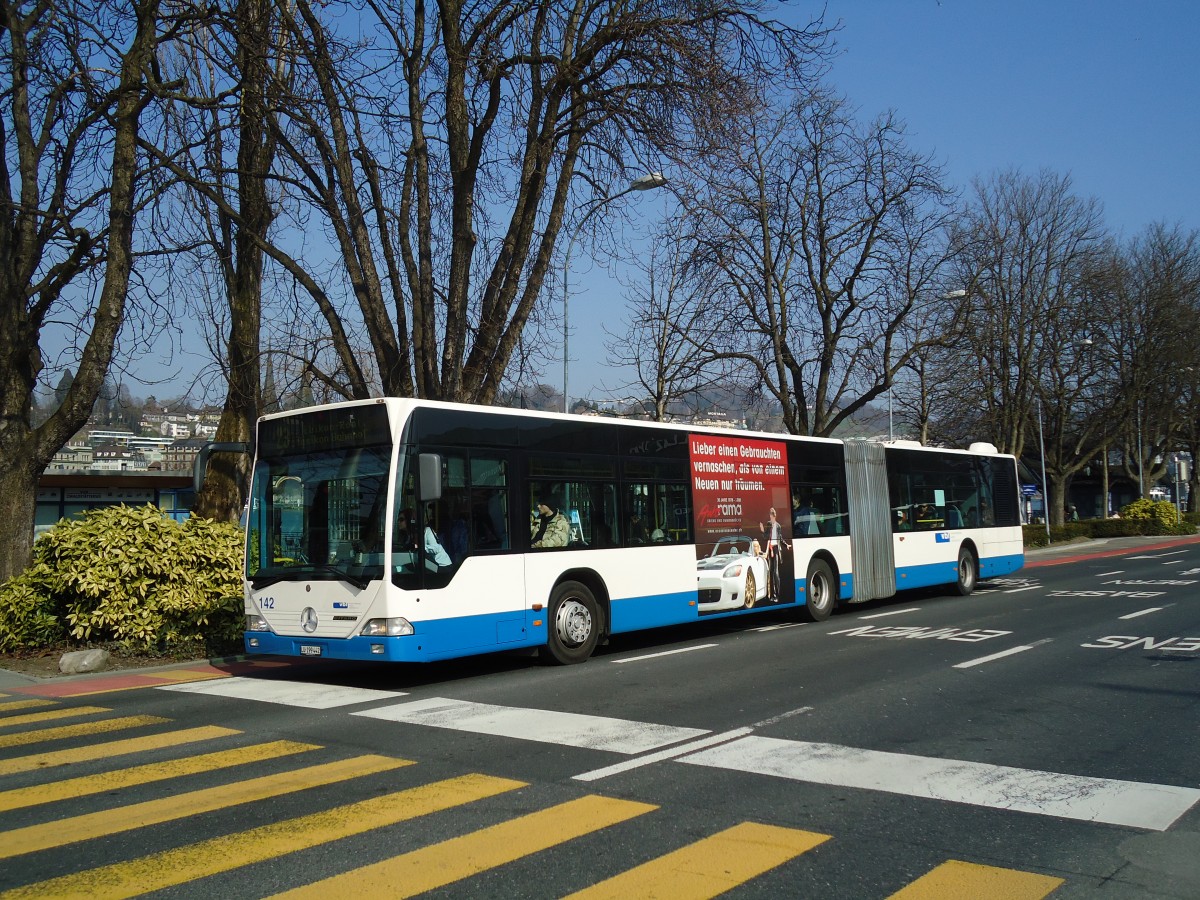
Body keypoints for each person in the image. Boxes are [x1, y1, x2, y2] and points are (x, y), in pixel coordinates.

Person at [759, 507, 789, 601]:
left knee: (776, 572)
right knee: (771, 572)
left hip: (776, 549)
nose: (771, 518)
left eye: (772, 516)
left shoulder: (778, 526)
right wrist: (763, 530)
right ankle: (771, 595)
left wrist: (786, 545)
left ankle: (777, 595)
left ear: (774, 516)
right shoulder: (768, 524)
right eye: (770, 516)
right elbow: (765, 537)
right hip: (770, 549)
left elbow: (780, 538)